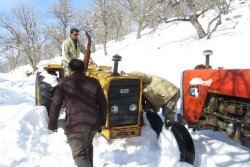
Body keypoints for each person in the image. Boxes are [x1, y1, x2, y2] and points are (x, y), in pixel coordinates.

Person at [48, 59, 107, 167]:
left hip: (76, 125)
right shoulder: (94, 81)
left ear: (71, 69)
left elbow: (56, 104)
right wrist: (102, 121)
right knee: (88, 149)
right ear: (83, 69)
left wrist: (52, 123)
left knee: (79, 155)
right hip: (93, 124)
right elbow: (103, 103)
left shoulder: (64, 82)